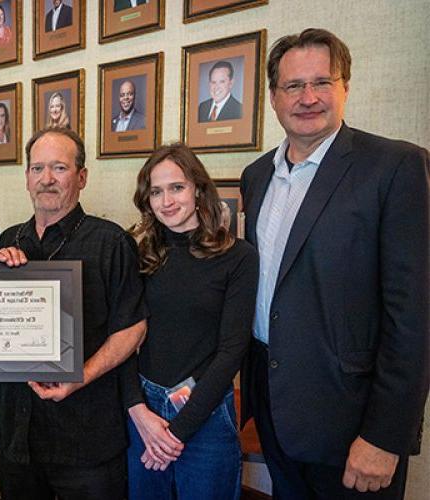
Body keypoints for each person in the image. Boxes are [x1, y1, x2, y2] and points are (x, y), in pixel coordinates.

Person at [240, 28, 429, 499]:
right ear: (272, 97)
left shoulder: (395, 168)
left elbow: (415, 315)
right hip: (272, 402)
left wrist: (386, 436)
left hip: (351, 421)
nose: (308, 98)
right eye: (293, 86)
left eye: (321, 82)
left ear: (345, 87)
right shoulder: (256, 175)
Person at [0, 127, 148, 499]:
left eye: (59, 168)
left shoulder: (111, 242)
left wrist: (81, 376)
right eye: (37, 168)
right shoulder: (7, 241)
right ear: (27, 178)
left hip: (86, 435)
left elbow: (132, 327)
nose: (47, 179)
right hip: (18, 434)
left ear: (81, 177)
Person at [124, 143, 258, 499]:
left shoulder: (238, 257)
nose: (166, 201)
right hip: (144, 411)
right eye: (156, 191)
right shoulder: (140, 254)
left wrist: (175, 433)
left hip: (206, 411)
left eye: (177, 187)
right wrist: (140, 414)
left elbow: (232, 351)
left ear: (199, 189)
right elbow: (121, 340)